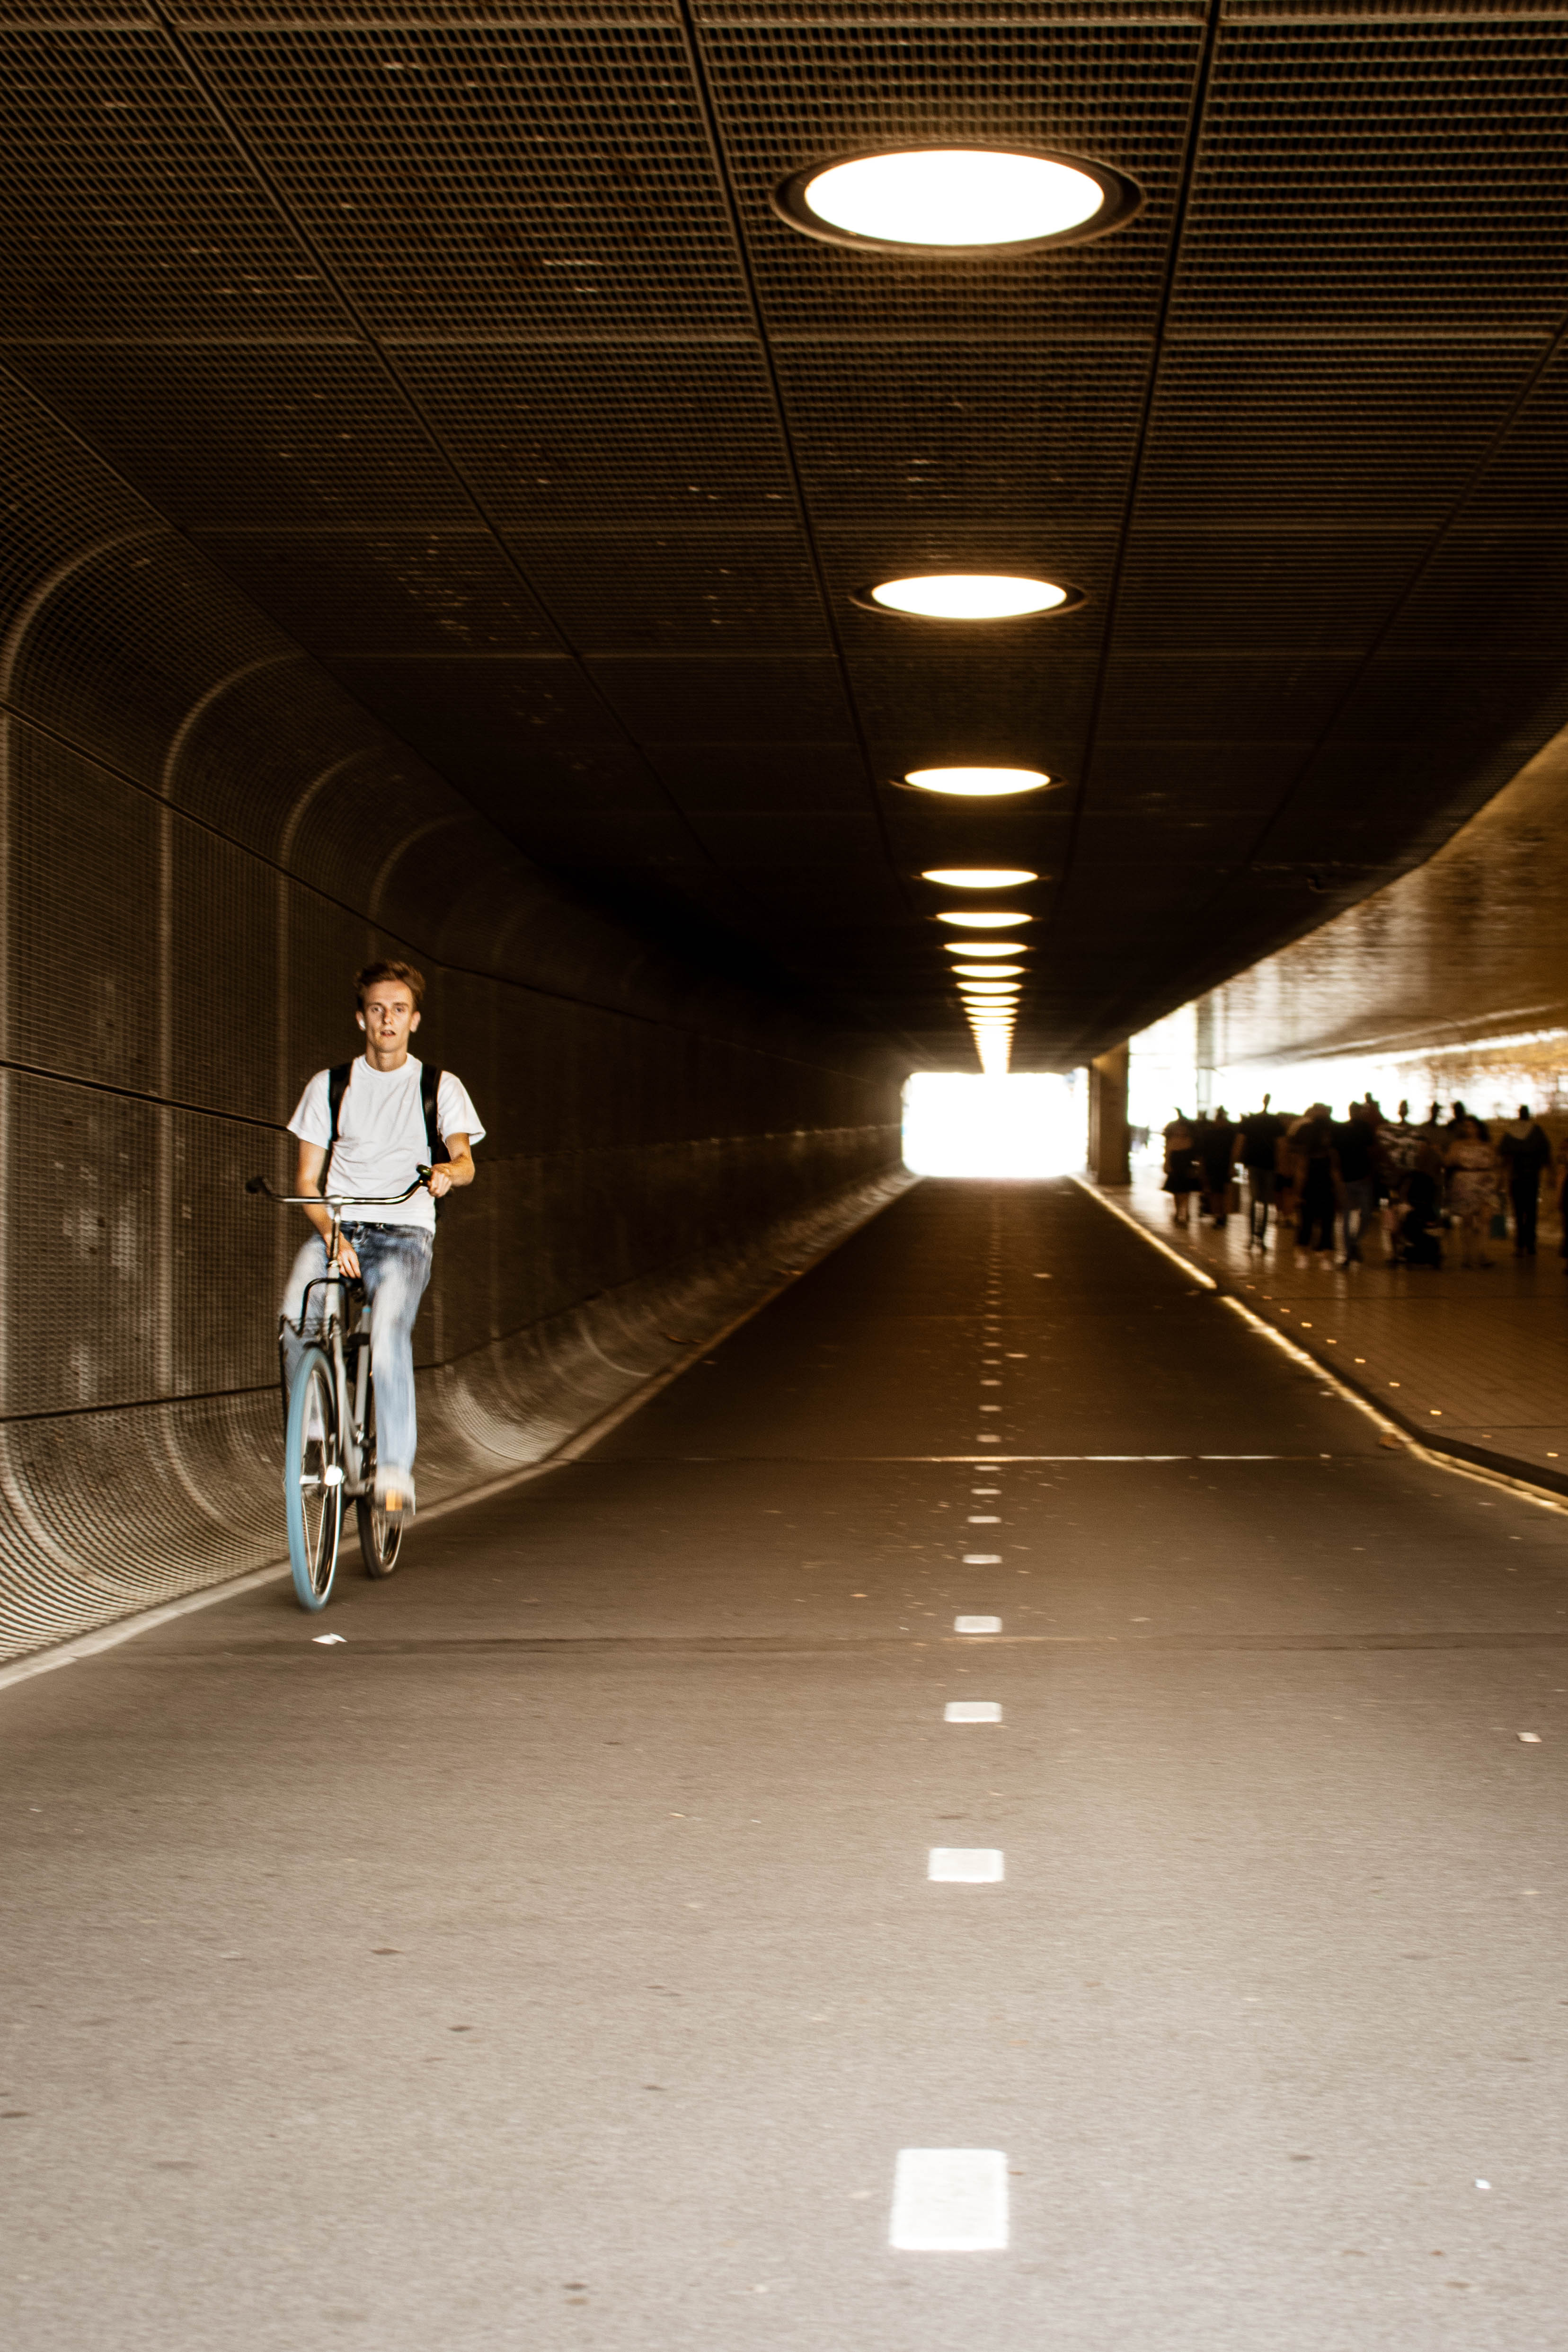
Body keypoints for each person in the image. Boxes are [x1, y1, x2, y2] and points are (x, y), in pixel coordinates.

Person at [279, 961, 484, 1519]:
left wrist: (447, 1172)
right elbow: (305, 1181)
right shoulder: (330, 1086)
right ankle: (316, 1431)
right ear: (361, 1018)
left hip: (405, 1233)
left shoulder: (439, 1086)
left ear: (414, 1020)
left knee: (389, 1325)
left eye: (398, 1009)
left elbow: (465, 1160)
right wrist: (333, 1232)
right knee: (297, 1311)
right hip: (340, 1228)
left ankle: (394, 1467)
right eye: (376, 1009)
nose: (386, 1019)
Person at [1443, 1115, 1499, 1269]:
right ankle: (1467, 1255)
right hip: (1465, 1182)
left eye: (1472, 1126)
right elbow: (1448, 1162)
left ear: (1479, 1128)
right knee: (1467, 1219)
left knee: (1485, 1218)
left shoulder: (1487, 1145)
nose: (1469, 1130)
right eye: (1466, 1127)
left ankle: (1482, 1253)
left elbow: (1495, 1162)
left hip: (1484, 1182)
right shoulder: (1458, 1145)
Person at [1497, 1105, 1552, 1256]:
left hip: (1516, 1176)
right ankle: (1531, 1244)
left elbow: (1504, 1156)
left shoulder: (1511, 1133)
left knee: (1519, 1211)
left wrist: (1502, 1178)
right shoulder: (1537, 1131)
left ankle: (1520, 1245)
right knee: (1531, 1211)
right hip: (1532, 1176)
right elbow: (1546, 1153)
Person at [1235, 1093, 1285, 1250]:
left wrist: (1235, 1162)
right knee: (1263, 1201)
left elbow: (1240, 1143)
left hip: (1253, 1165)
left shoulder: (1250, 1122)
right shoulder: (1276, 1123)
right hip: (1269, 1166)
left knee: (1254, 1200)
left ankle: (1252, 1237)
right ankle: (1261, 1238)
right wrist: (1281, 1165)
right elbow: (1281, 1146)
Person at [1332, 1100, 1377, 1267]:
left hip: (1356, 1178)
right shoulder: (1357, 1130)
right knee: (1357, 1215)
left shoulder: (1355, 1130)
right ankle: (1351, 1249)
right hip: (1354, 1179)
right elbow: (1372, 1152)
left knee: (1357, 1215)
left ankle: (1352, 1246)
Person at [1292, 1105, 1339, 1265]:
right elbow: (1335, 1172)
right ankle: (1326, 1258)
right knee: (1327, 1224)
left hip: (1309, 1189)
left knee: (1306, 1222)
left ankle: (1302, 1255)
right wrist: (1340, 1192)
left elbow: (1301, 1172)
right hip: (1327, 1188)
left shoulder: (1307, 1152)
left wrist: (1297, 1193)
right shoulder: (1330, 1151)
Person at [1162, 1109, 1198, 1228]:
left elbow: (1194, 1156)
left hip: (1185, 1168)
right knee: (1178, 1192)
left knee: (1185, 1192)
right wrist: (1167, 1165)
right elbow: (1168, 1154)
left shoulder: (1189, 1141)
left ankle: (1184, 1212)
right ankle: (1180, 1212)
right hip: (1177, 1168)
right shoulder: (1175, 1141)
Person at [1203, 1105, 1237, 1227]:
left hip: (1215, 1165)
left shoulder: (1210, 1133)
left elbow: (1204, 1151)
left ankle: (1219, 1215)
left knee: (1216, 1193)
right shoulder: (1231, 1133)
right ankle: (1222, 1214)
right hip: (1223, 1165)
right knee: (1222, 1192)